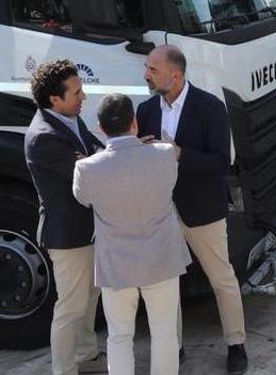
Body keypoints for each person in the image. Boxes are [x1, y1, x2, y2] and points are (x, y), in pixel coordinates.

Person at [136, 46, 249, 374]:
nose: (146, 74)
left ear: (176, 75)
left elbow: (221, 162)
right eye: (147, 68)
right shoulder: (145, 110)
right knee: (167, 283)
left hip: (203, 210)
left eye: (153, 70)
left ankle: (236, 344)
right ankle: (174, 346)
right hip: (161, 212)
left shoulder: (210, 107)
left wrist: (179, 153)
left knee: (222, 279)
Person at [73, 94, 190, 375]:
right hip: (161, 258)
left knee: (119, 336)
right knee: (164, 334)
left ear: (100, 128)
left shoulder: (86, 168)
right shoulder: (164, 155)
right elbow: (171, 179)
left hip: (116, 265)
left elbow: (83, 198)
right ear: (135, 123)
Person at [24, 59, 105, 375]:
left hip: (88, 230)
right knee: (70, 308)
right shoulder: (44, 136)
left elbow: (95, 151)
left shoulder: (69, 118)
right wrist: (93, 161)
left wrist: (94, 157)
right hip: (69, 236)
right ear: (54, 99)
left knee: (89, 298)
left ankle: (86, 355)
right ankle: (63, 370)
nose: (83, 97)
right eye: (77, 92)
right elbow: (87, 175)